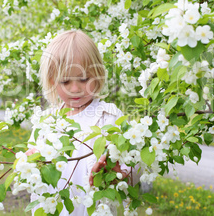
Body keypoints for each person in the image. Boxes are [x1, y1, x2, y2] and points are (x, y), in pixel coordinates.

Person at [26, 30, 138, 215]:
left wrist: (119, 174)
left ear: (98, 74)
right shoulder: (46, 121)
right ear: (52, 81)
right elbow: (32, 162)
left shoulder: (107, 116)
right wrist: (31, 160)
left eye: (84, 79)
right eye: (65, 81)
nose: (75, 89)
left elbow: (132, 167)